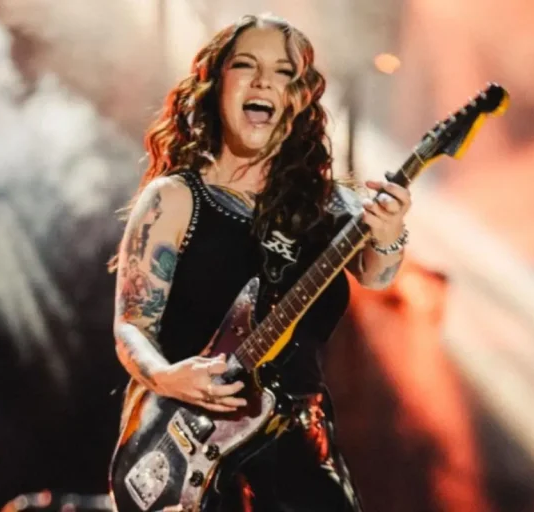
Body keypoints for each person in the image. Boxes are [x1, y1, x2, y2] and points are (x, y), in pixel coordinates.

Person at [112, 13, 412, 512]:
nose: (262, 82)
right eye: (245, 65)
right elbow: (131, 325)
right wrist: (166, 377)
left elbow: (378, 275)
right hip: (190, 445)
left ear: (299, 97)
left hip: (299, 446)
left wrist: (391, 234)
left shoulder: (332, 207)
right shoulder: (178, 200)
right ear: (215, 84)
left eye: (283, 73)